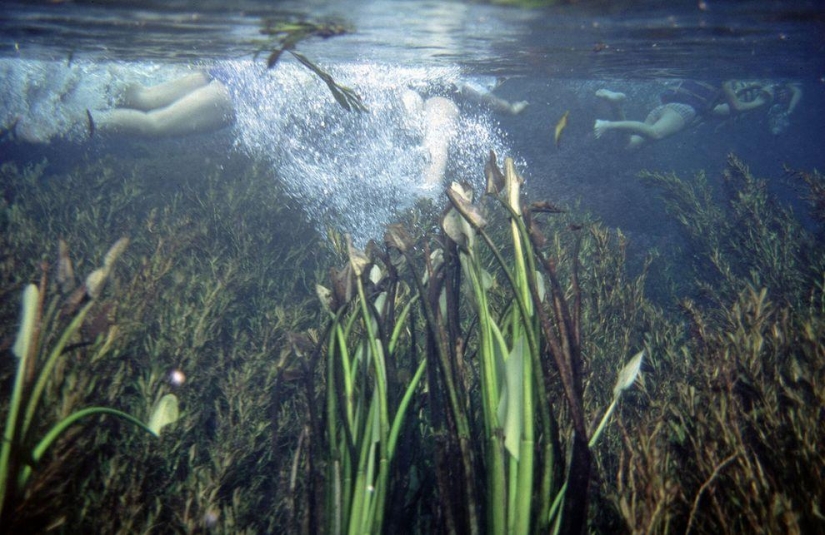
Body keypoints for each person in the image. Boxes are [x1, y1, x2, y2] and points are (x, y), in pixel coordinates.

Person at [593, 80, 783, 149]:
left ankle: (617, 105)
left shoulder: (705, 82)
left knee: (629, 145)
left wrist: (752, 89)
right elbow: (737, 108)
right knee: (654, 133)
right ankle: (607, 124)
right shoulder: (724, 80)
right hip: (683, 110)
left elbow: (723, 111)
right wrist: (761, 101)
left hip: (666, 107)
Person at [90, 71, 235, 138]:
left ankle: (88, 89)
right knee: (155, 125)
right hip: (236, 97)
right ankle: (77, 119)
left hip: (227, 73)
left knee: (143, 97)